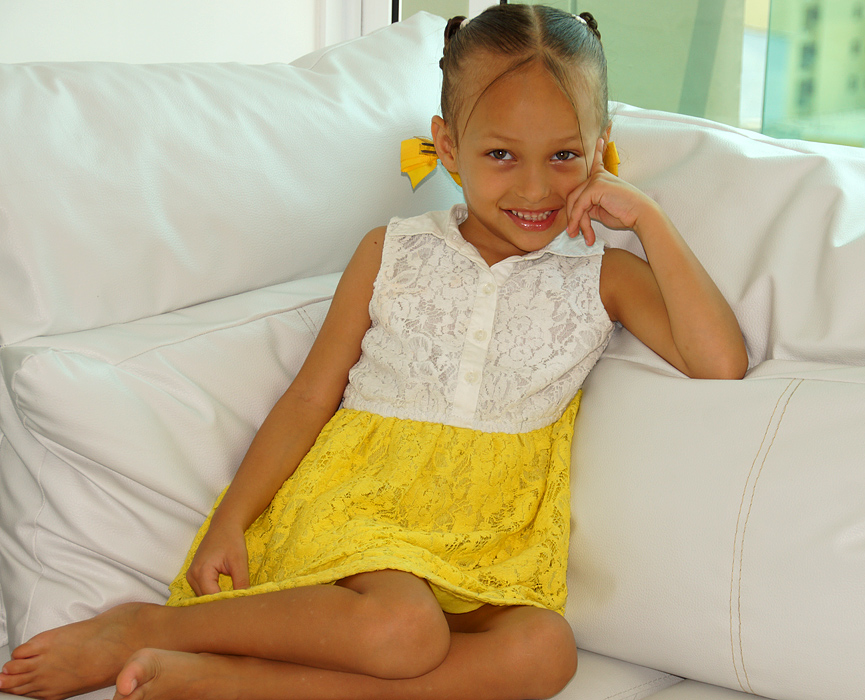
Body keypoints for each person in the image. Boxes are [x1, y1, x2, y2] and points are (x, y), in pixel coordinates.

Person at [0, 5, 747, 700]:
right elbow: (308, 397)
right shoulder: (393, 251)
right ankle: (148, 628)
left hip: (489, 553)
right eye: (499, 154)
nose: (534, 186)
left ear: (599, 146)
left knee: (545, 651)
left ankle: (227, 682)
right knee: (403, 629)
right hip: (363, 519)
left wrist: (646, 218)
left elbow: (719, 361)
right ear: (448, 146)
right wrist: (232, 519)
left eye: (563, 156)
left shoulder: (603, 274)